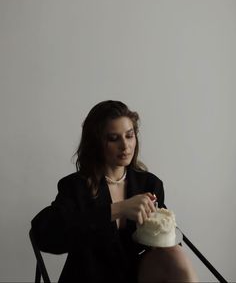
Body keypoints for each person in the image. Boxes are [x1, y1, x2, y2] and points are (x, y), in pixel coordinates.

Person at [31, 100, 198, 283]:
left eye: (129, 135)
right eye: (114, 138)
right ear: (96, 143)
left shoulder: (149, 184)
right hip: (89, 278)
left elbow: (165, 245)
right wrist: (118, 209)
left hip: (137, 276)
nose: (125, 146)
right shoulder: (76, 187)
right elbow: (44, 235)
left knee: (176, 254)